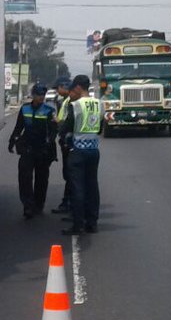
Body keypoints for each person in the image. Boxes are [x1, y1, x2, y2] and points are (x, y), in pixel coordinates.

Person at [58, 74, 101, 235]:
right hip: (94, 150)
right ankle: (92, 222)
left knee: (78, 188)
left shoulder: (75, 105)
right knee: (92, 186)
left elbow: (66, 127)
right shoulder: (99, 104)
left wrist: (62, 135)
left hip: (78, 150)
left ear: (77, 87)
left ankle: (78, 225)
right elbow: (100, 128)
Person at [7, 83, 57, 219]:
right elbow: (18, 128)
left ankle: (38, 205)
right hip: (27, 148)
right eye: (38, 95)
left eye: (43, 95)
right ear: (33, 95)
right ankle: (28, 206)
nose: (41, 97)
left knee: (41, 179)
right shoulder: (25, 109)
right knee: (25, 178)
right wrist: (12, 141)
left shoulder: (48, 110)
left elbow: (53, 132)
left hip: (42, 150)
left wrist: (50, 145)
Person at [50, 77, 73, 214]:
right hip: (76, 143)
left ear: (64, 87)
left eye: (58, 88)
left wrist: (55, 120)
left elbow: (63, 122)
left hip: (69, 142)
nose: (57, 91)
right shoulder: (64, 101)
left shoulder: (68, 102)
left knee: (70, 174)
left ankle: (69, 203)